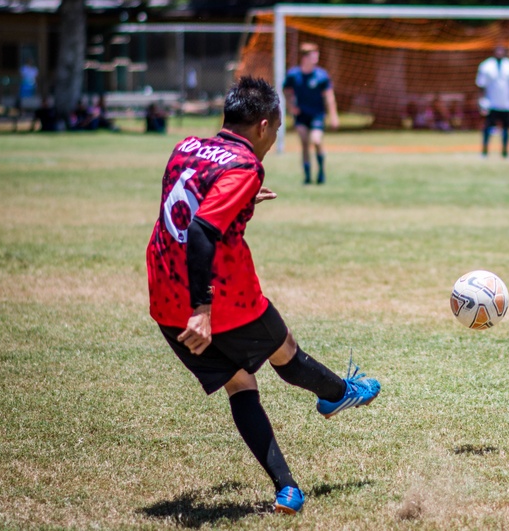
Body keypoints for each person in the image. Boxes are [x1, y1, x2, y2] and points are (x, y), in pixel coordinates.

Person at [145, 76, 380, 515]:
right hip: (218, 301)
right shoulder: (245, 165)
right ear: (264, 126)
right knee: (284, 351)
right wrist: (203, 309)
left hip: (163, 295)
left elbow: (191, 204)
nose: (274, 140)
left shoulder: (186, 146)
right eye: (275, 131)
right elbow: (200, 231)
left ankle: (287, 489)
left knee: (240, 383)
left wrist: (245, 200)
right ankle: (339, 393)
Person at [282, 43, 339, 184]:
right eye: (313, 55)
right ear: (305, 58)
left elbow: (329, 96)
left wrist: (334, 115)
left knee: (316, 140)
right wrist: (291, 107)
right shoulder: (293, 75)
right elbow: (286, 91)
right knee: (304, 143)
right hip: (301, 115)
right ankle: (307, 177)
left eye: (316, 55)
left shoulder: (321, 75)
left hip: (317, 115)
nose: (316, 58)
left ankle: (321, 171)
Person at [476, 32, 509, 157]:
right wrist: (482, 102)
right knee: (487, 129)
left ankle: (505, 152)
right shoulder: (486, 66)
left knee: (506, 130)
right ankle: (484, 151)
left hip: (506, 104)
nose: (500, 53)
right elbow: (481, 86)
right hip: (491, 103)